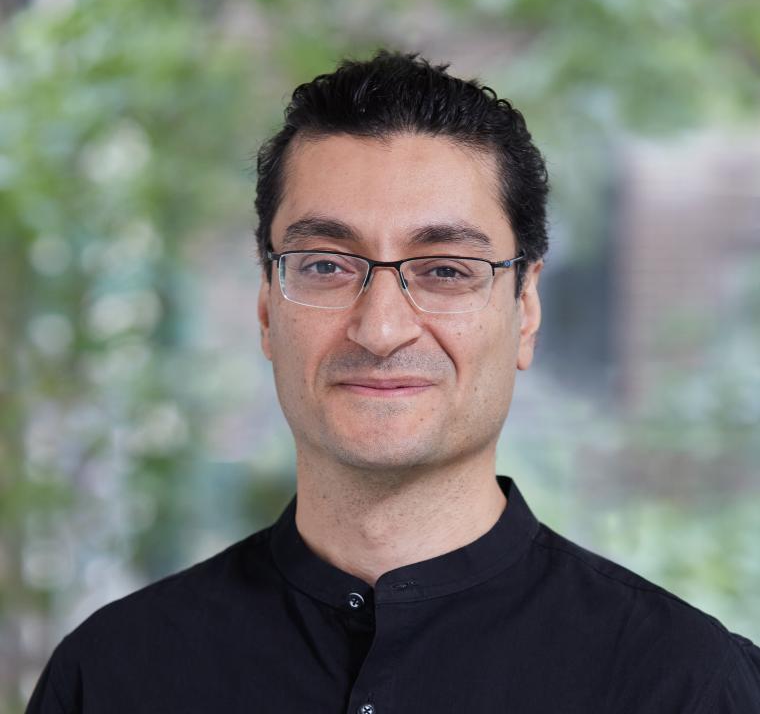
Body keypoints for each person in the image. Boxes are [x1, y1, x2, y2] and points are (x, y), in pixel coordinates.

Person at [27, 50, 760, 713]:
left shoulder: (685, 685)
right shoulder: (112, 676)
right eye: (325, 265)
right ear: (265, 306)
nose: (380, 329)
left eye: (444, 270)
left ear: (525, 310)